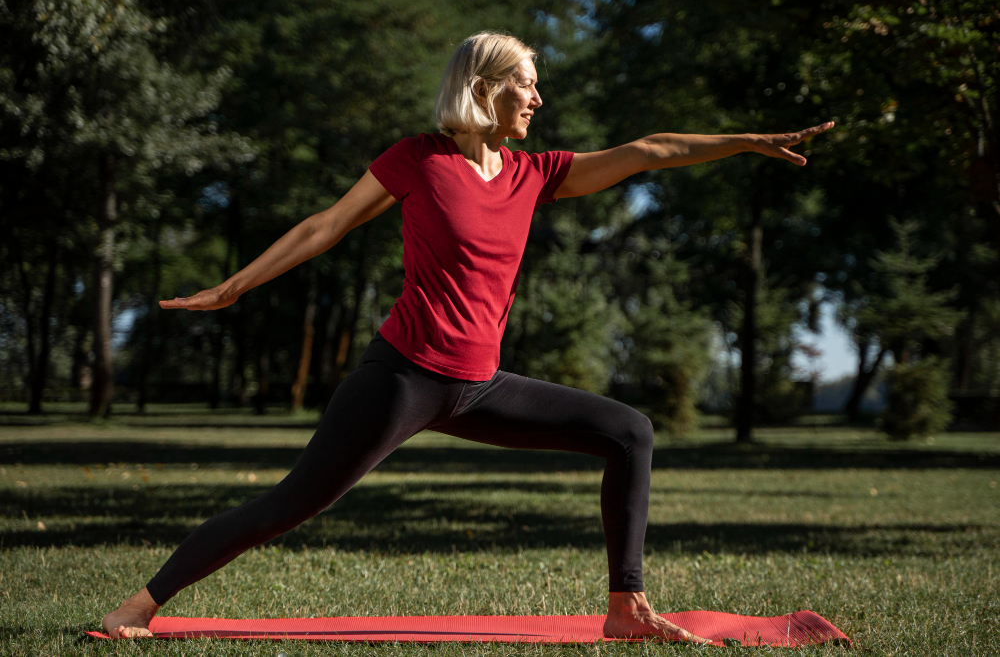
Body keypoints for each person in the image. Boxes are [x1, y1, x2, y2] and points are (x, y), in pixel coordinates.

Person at [101, 31, 833, 643]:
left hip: (480, 384)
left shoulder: (534, 174)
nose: (538, 100)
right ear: (485, 86)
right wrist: (234, 287)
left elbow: (647, 149)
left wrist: (744, 142)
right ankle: (138, 605)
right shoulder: (418, 159)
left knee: (629, 431)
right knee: (292, 502)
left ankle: (627, 607)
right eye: (527, 84)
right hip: (404, 379)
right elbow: (327, 225)